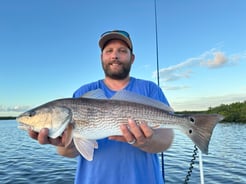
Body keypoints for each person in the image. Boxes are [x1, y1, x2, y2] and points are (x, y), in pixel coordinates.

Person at [29, 30, 174, 184]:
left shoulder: (150, 89)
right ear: (101, 57)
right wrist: (67, 144)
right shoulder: (83, 92)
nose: (115, 56)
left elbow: (167, 139)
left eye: (122, 51)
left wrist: (146, 141)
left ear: (132, 58)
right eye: (109, 51)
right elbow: (69, 151)